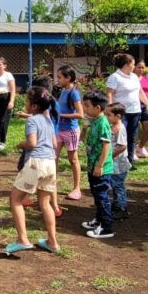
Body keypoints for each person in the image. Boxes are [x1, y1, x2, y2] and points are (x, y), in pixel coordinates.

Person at [4, 86, 60, 255]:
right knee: (45, 203)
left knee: (15, 199)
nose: (26, 103)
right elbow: (54, 144)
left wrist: (21, 144)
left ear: (34, 106)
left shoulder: (32, 120)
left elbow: (32, 143)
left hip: (36, 163)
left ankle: (23, 240)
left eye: (27, 101)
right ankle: (52, 242)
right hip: (50, 164)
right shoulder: (48, 120)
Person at [80, 92, 116, 239]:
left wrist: (100, 166)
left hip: (101, 168)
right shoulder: (94, 120)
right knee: (97, 195)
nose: (84, 108)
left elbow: (106, 145)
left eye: (87, 106)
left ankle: (106, 227)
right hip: (93, 166)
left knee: (102, 197)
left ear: (98, 107)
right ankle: (99, 220)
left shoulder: (102, 123)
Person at [107, 54, 148, 170]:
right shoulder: (115, 77)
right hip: (121, 113)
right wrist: (110, 109)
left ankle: (129, 161)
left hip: (135, 111)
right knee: (120, 137)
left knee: (132, 137)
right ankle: (114, 160)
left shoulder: (134, 77)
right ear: (126, 65)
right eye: (133, 64)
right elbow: (110, 94)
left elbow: (140, 92)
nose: (134, 66)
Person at [54, 65, 85, 201]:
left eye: (60, 77)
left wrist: (61, 115)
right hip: (59, 130)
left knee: (73, 159)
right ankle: (51, 185)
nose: (58, 80)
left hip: (70, 130)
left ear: (68, 78)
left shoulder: (74, 93)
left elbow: (80, 114)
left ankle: (77, 188)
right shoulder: (63, 91)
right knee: (53, 157)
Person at [107, 103, 131, 220]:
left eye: (109, 115)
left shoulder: (120, 129)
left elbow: (122, 146)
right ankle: (117, 205)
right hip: (115, 163)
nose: (107, 117)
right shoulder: (113, 126)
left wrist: (109, 157)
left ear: (118, 116)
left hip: (119, 163)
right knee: (115, 185)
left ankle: (121, 208)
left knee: (118, 186)